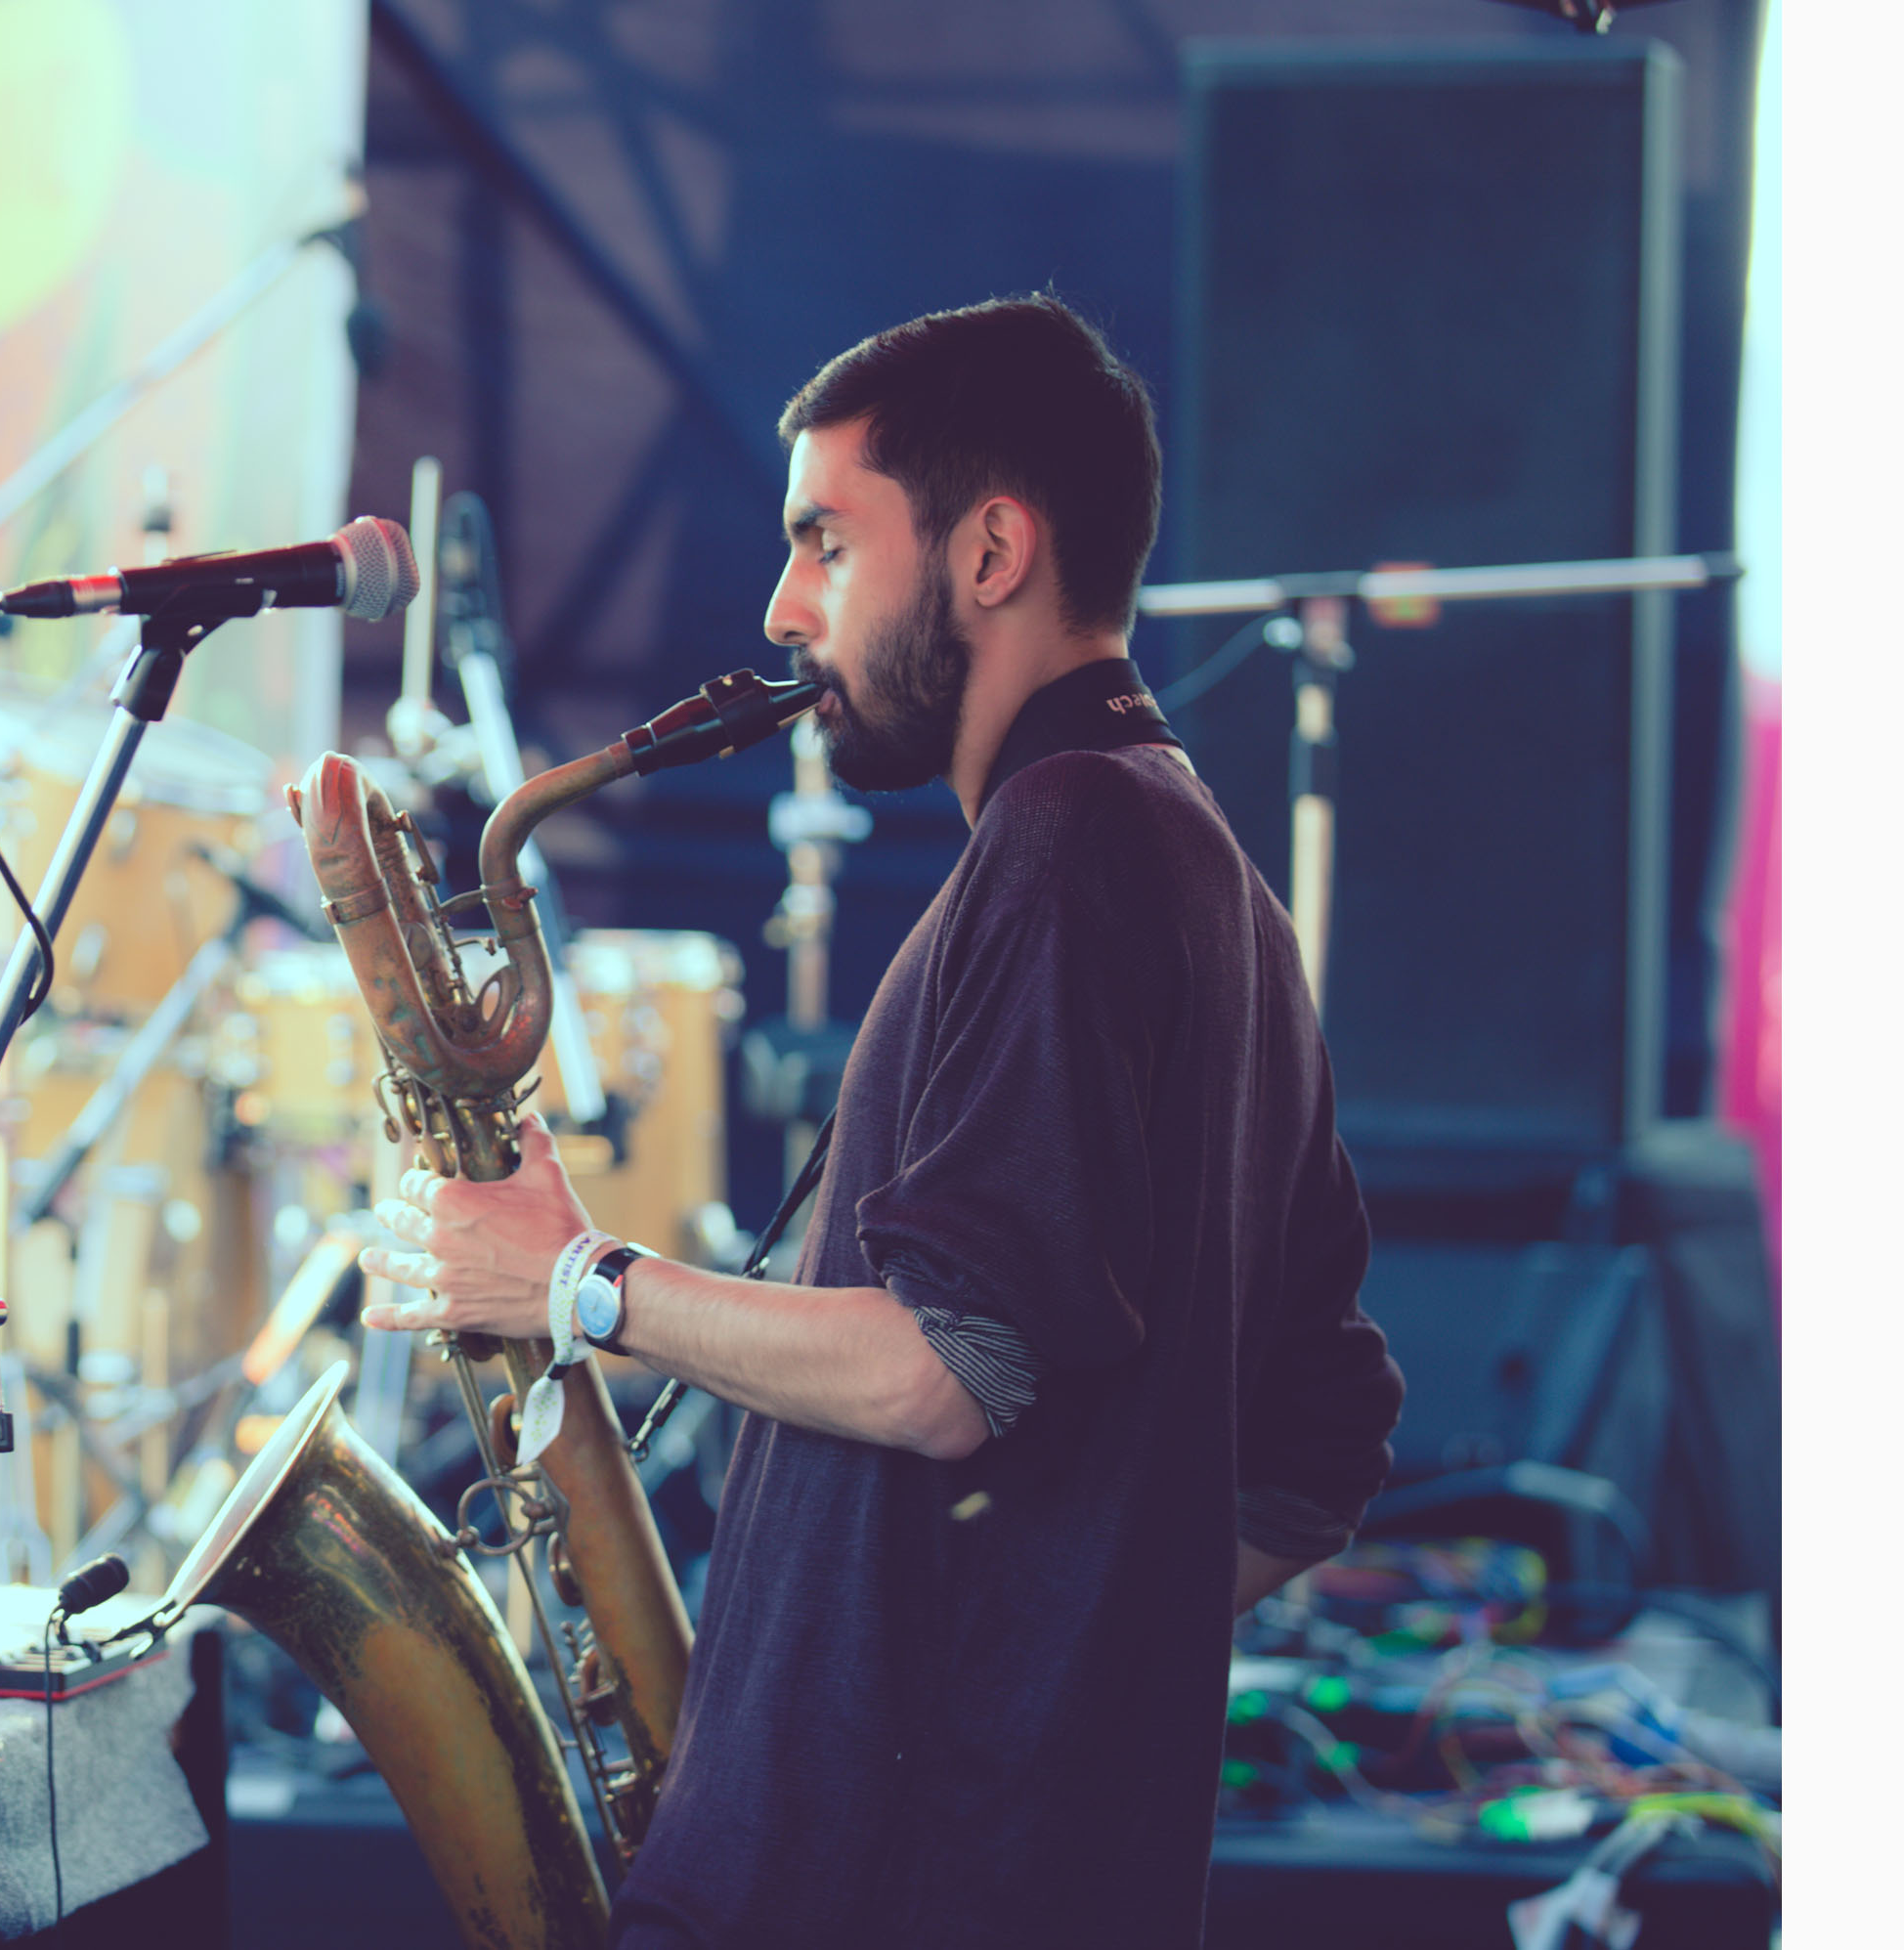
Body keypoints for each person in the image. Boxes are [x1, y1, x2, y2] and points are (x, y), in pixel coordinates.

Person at [357, 293, 1406, 1947]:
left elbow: (945, 1369)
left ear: (990, 552)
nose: (780, 610)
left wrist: (574, 1285)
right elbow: (1325, 1432)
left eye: (825, 544)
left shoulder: (1066, 852)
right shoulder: (1197, 868)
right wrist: (1062, 1666)